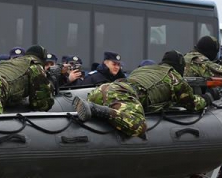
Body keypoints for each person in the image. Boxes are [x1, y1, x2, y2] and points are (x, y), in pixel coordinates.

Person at [73, 51, 207, 137]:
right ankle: (95, 109)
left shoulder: (146, 68)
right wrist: (206, 98)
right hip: (124, 94)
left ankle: (90, 105)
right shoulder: (175, 77)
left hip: (104, 89)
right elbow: (192, 104)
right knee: (138, 125)